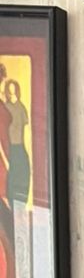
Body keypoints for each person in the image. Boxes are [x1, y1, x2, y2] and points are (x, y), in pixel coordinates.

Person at [2, 78, 31, 209]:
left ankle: (20, 206)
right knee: (11, 178)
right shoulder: (5, 108)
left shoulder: (21, 108)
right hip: (10, 148)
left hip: (21, 147)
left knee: (23, 175)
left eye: (14, 90)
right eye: (9, 90)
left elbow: (26, 131)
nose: (12, 93)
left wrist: (27, 149)